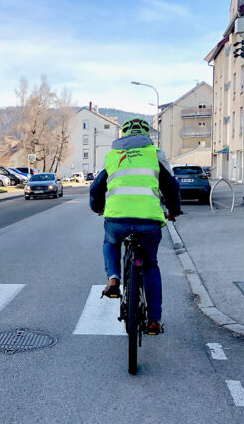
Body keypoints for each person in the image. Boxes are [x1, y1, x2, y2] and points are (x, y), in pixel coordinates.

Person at [89, 118, 182, 335]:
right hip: (149, 221)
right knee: (150, 264)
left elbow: (96, 188)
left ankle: (113, 279)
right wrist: (173, 211)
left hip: (117, 220)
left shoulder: (113, 155)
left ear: (123, 135)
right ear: (146, 135)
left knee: (111, 242)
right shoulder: (154, 154)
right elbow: (171, 186)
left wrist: (98, 208)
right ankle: (154, 321)